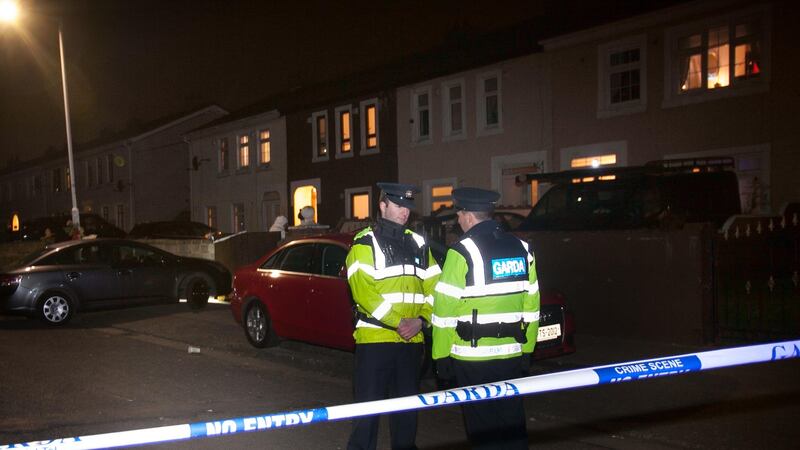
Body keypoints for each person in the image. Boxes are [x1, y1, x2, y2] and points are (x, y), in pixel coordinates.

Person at [431, 187, 540, 449]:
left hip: (473, 358)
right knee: (512, 423)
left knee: (482, 429)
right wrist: (527, 350)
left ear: (468, 215)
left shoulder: (461, 252)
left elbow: (444, 311)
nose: (457, 219)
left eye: (459, 213)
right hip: (511, 354)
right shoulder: (523, 248)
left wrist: (440, 357)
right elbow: (532, 304)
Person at [346, 182, 441, 450]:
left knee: (406, 416)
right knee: (367, 416)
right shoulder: (365, 243)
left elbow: (436, 287)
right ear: (382, 205)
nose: (405, 211)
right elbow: (364, 294)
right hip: (375, 341)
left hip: (411, 343)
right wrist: (401, 323)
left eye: (408, 206)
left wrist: (421, 320)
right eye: (399, 205)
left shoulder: (419, 243)